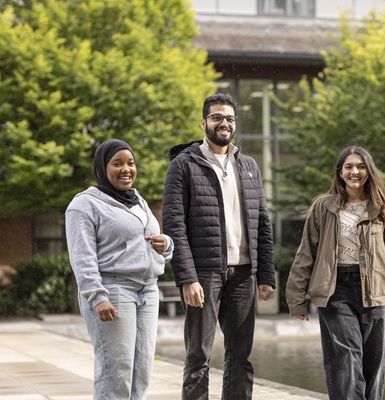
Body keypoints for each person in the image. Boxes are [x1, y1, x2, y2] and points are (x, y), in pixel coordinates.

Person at [162, 93, 276, 400]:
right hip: (205, 273)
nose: (223, 123)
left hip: (243, 275)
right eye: (216, 117)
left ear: (235, 124)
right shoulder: (184, 165)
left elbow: (262, 222)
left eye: (229, 118)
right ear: (204, 122)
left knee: (241, 356)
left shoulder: (249, 165)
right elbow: (174, 225)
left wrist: (265, 274)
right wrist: (187, 278)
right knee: (198, 354)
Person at [286, 145, 385, 400]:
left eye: (360, 166)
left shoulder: (383, 208)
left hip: (375, 292)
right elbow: (305, 254)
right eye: (349, 167)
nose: (355, 171)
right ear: (340, 172)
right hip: (335, 291)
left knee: (374, 364)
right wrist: (296, 298)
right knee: (346, 357)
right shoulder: (323, 207)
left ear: (369, 171)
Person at [65, 139, 174, 400]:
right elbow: (82, 256)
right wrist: (97, 296)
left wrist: (166, 244)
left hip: (147, 290)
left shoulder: (138, 201)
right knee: (116, 370)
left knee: (142, 369)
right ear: (103, 168)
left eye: (131, 163)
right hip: (113, 290)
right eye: (117, 163)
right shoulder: (84, 205)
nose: (126, 169)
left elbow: (152, 241)